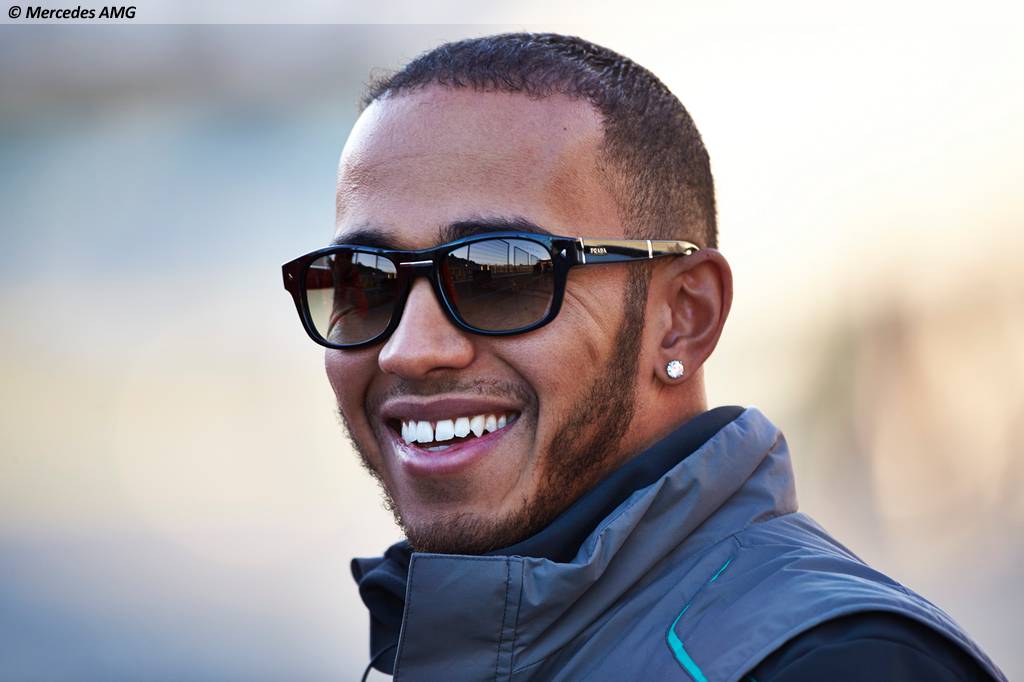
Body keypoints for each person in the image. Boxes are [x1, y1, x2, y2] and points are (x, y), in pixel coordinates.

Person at [281, 33, 1007, 681]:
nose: (411, 350)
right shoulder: (458, 642)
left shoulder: (841, 665)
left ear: (684, 319)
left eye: (499, 274)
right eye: (363, 282)